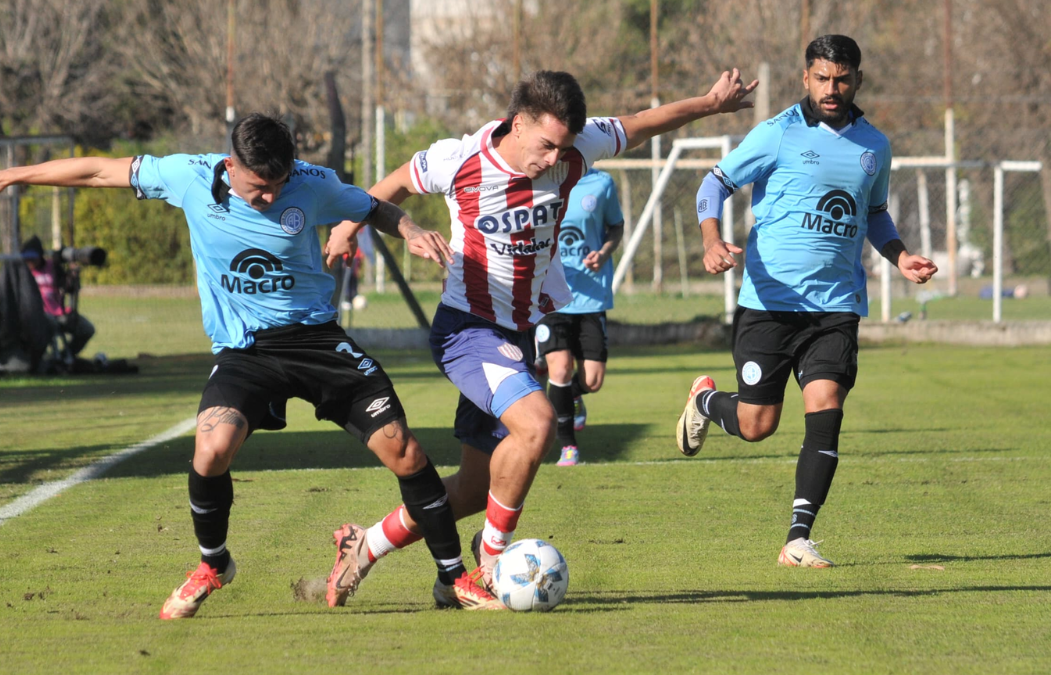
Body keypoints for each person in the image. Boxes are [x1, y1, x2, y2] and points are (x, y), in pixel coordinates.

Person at [0, 113, 505, 616]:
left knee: (403, 450)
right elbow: (96, 171)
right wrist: (8, 176)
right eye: (258, 188)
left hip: (316, 340)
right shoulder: (189, 175)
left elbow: (373, 206)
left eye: (277, 187)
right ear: (231, 165)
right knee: (211, 449)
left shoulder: (309, 184)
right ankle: (214, 564)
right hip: (245, 351)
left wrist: (408, 229)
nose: (268, 198)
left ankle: (453, 577)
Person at [323, 68, 758, 606]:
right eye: (547, 145)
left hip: (518, 335)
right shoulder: (461, 159)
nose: (554, 159)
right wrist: (347, 227)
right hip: (467, 330)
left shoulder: (576, 148)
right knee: (538, 424)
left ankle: (362, 547)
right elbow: (390, 186)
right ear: (519, 122)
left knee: (473, 489)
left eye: (564, 148)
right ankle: (491, 561)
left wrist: (709, 105)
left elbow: (643, 123)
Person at [676, 35, 938, 568]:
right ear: (806, 79)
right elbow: (713, 184)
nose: (832, 88)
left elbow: (876, 214)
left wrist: (900, 255)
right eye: (822, 78)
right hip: (769, 304)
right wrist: (710, 239)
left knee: (826, 407)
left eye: (842, 79)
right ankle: (705, 402)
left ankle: (798, 537)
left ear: (858, 80)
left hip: (836, 306)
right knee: (757, 425)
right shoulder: (777, 134)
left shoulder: (874, 146)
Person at [533, 167, 624, 466]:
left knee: (593, 380)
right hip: (551, 296)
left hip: (591, 296)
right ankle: (568, 446)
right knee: (558, 369)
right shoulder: (540, 179)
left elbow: (616, 227)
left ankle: (571, 395)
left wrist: (604, 252)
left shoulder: (601, 183)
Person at [19, 235, 95, 360]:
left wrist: (73, 276)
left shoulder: (52, 266)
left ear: (40, 256)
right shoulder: (22, 272)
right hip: (37, 316)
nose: (30, 261)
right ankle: (43, 359)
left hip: (59, 313)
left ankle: (65, 355)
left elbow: (67, 287)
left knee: (87, 329)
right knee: (50, 324)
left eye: (33, 258)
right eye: (27, 259)